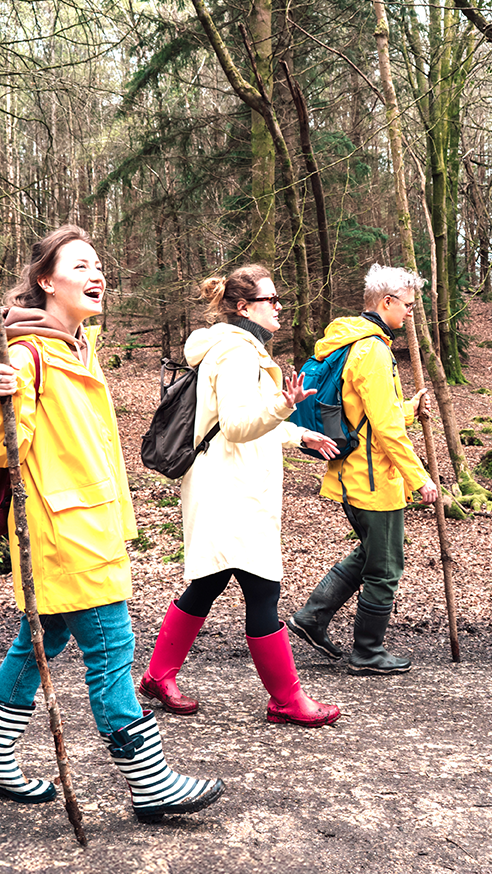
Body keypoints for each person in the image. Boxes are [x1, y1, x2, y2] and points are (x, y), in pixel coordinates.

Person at [0, 224, 223, 821]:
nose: (96, 274)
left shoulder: (78, 349)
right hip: (64, 531)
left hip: (90, 524)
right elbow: (3, 450)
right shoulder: (27, 354)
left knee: (42, 641)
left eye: (99, 264)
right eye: (79, 265)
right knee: (112, 646)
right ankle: (151, 782)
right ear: (45, 281)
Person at [139, 266, 342, 728]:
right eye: (271, 300)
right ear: (243, 307)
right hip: (230, 489)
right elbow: (235, 425)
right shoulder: (236, 353)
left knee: (208, 583)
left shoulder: (239, 348)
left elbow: (249, 422)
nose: (279, 307)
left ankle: (157, 676)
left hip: (228, 483)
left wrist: (298, 433)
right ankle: (287, 700)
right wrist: (284, 404)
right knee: (262, 588)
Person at [287, 263, 438, 675]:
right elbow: (386, 431)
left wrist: (409, 408)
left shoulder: (355, 343)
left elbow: (372, 415)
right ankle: (367, 652)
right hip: (373, 481)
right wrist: (419, 477)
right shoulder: (373, 350)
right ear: (386, 302)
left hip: (353, 475)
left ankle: (312, 618)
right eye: (407, 304)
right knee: (385, 569)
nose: (410, 312)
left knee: (371, 554)